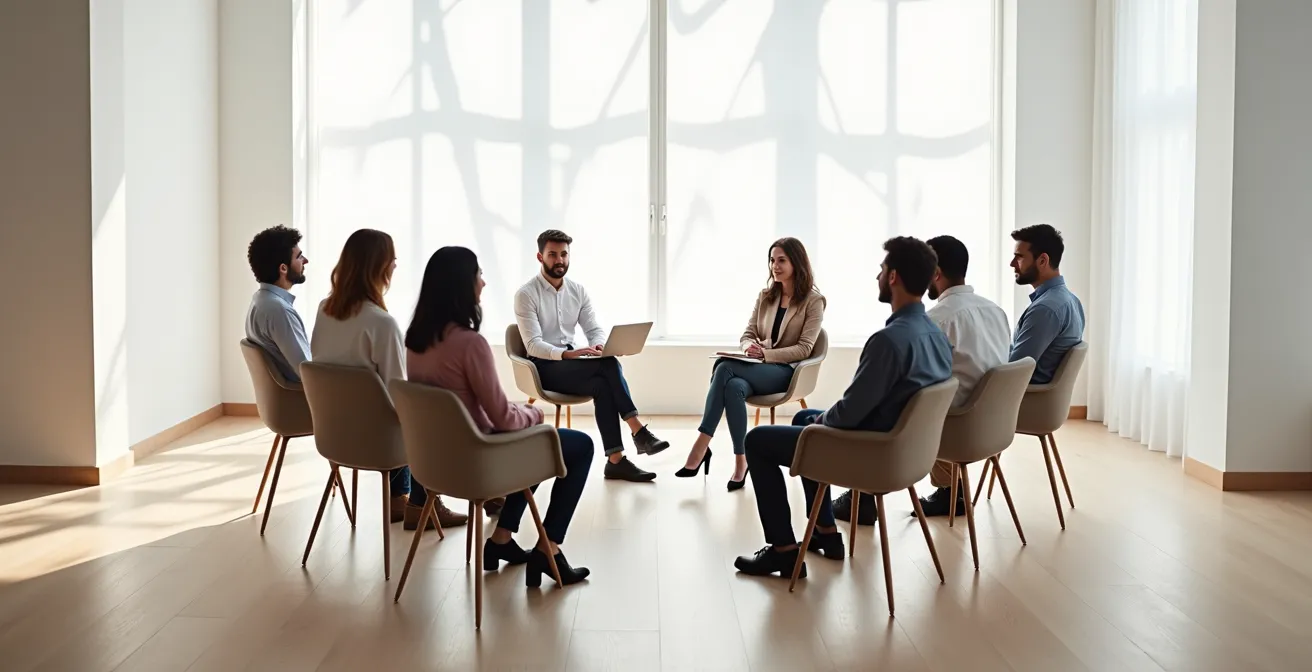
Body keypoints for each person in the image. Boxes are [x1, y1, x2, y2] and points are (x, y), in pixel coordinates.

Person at [734, 236, 953, 579]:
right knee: (804, 417)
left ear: (893, 277)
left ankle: (783, 552)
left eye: (881, 269)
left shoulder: (888, 341)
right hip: (906, 450)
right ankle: (825, 532)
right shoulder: (935, 334)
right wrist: (819, 419)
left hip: (871, 452)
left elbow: (850, 412)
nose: (877, 276)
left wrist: (822, 420)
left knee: (758, 440)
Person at [407, 246, 592, 588]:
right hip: (479, 461)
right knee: (579, 446)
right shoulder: (469, 344)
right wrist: (533, 413)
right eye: (478, 275)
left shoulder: (415, 343)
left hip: (434, 462)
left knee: (534, 445)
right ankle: (549, 549)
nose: (483, 282)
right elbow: (503, 420)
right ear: (461, 284)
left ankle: (501, 539)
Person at [309, 229, 468, 531]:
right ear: (380, 267)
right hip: (378, 442)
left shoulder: (323, 310)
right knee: (434, 414)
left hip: (332, 433)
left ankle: (398, 498)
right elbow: (399, 396)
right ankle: (425, 503)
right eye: (392, 259)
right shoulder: (381, 323)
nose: (396, 265)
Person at [513, 229, 668, 482]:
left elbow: (593, 329)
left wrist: (598, 346)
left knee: (602, 383)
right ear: (540, 257)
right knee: (608, 366)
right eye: (552, 254)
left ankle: (615, 460)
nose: (560, 260)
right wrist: (568, 355)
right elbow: (532, 345)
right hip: (543, 368)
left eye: (564, 254)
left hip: (572, 366)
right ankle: (638, 430)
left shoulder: (578, 291)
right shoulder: (526, 294)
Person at [677, 237, 825, 491]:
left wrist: (765, 355)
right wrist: (749, 348)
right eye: (772, 260)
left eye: (781, 260)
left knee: (724, 367)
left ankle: (701, 444)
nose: (775, 266)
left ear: (797, 263)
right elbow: (748, 334)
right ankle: (741, 460)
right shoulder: (766, 296)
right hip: (759, 369)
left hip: (787, 373)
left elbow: (804, 348)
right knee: (733, 385)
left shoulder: (813, 301)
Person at [917, 234, 1011, 517]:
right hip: (996, 426)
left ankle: (866, 496)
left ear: (936, 273)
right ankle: (949, 491)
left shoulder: (937, 319)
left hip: (958, 430)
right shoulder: (996, 311)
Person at [1009, 224, 1085, 383]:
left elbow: (1013, 371)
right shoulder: (1072, 300)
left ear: (1042, 260)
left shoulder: (1045, 309)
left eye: (1019, 257)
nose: (1012, 263)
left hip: (1025, 395)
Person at [245, 225, 311, 382]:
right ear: (283, 268)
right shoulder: (279, 311)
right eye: (299, 257)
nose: (305, 261)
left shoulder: (260, 300)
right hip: (302, 394)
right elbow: (308, 373)